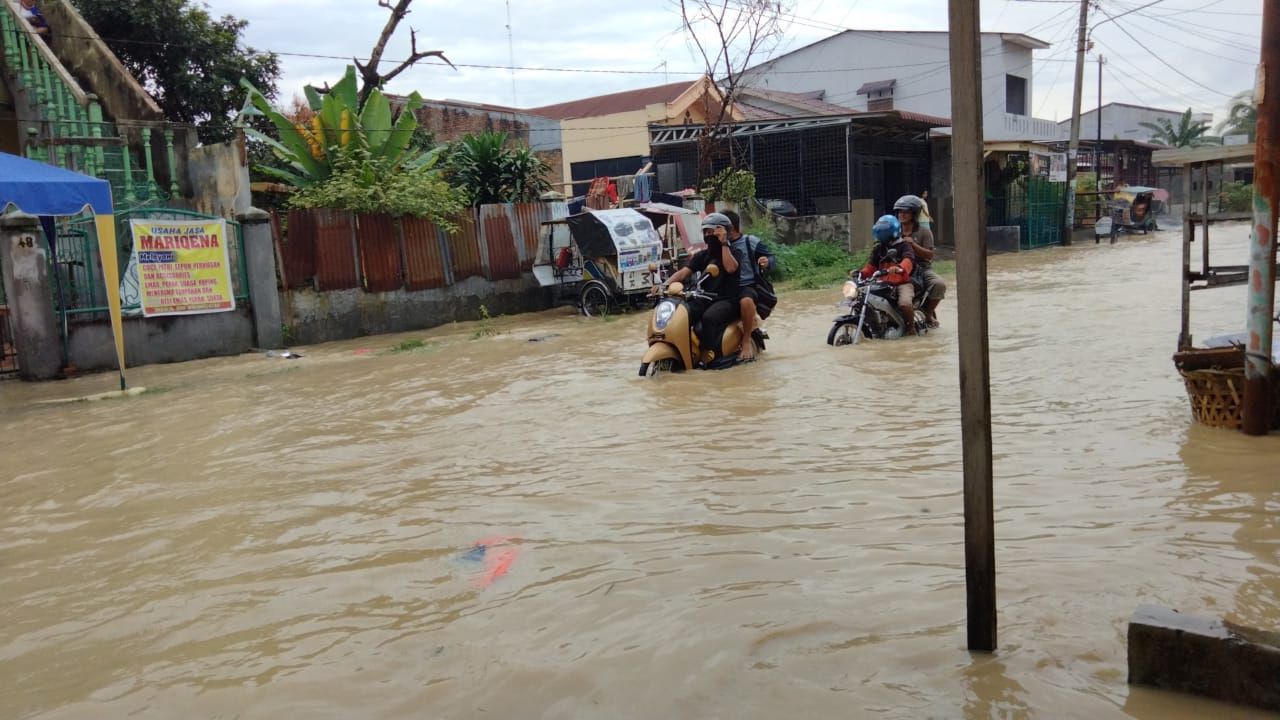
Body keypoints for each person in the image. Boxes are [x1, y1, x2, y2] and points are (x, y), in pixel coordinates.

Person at [662, 213, 740, 364]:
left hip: (727, 299)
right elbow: (684, 273)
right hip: (704, 298)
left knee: (709, 317)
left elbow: (731, 268)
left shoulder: (734, 252)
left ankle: (708, 353)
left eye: (713, 231)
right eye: (706, 232)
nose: (709, 235)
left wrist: (724, 243)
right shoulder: (702, 255)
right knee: (681, 312)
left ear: (725, 232)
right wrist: (664, 285)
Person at [722, 210, 775, 362]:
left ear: (731, 228)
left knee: (746, 300)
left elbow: (771, 257)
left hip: (747, 286)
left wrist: (767, 262)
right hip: (724, 288)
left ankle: (746, 341)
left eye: (720, 227)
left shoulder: (749, 241)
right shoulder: (718, 244)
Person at [858, 214, 918, 336]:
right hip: (882, 283)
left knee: (904, 303)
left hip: (902, 282)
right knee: (865, 300)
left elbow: (909, 260)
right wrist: (860, 273)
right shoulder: (878, 249)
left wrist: (899, 268)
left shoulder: (904, 245)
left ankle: (911, 329)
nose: (882, 238)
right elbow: (870, 267)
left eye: (884, 234)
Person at [893, 194, 946, 329]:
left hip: (922, 268)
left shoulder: (924, 232)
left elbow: (929, 255)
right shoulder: (894, 231)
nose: (902, 214)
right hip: (900, 268)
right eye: (900, 211)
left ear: (914, 214)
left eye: (906, 212)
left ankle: (928, 313)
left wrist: (913, 245)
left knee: (939, 284)